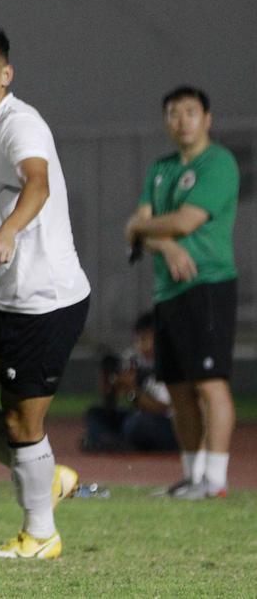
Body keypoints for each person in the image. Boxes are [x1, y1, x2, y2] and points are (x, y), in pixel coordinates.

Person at [0, 25, 90, 560]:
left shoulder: (19, 124)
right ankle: (49, 477)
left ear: (5, 76)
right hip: (7, 290)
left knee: (25, 421)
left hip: (44, 300)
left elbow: (38, 183)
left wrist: (7, 233)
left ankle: (41, 534)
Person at [125, 85, 238, 499]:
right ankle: (191, 477)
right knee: (176, 386)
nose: (182, 120)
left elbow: (186, 221)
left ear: (207, 119)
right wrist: (165, 242)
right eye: (173, 113)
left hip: (207, 283)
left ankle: (216, 479)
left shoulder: (219, 163)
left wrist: (151, 231)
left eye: (191, 112)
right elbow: (135, 228)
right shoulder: (160, 168)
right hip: (167, 289)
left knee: (210, 383)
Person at [80, 312, 177, 453]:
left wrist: (132, 390)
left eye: (145, 338)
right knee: (94, 413)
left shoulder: (168, 363)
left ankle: (111, 440)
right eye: (138, 339)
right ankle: (107, 440)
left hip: (167, 424)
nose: (141, 345)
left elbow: (163, 409)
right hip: (142, 418)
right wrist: (110, 382)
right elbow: (110, 404)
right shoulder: (133, 359)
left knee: (136, 424)